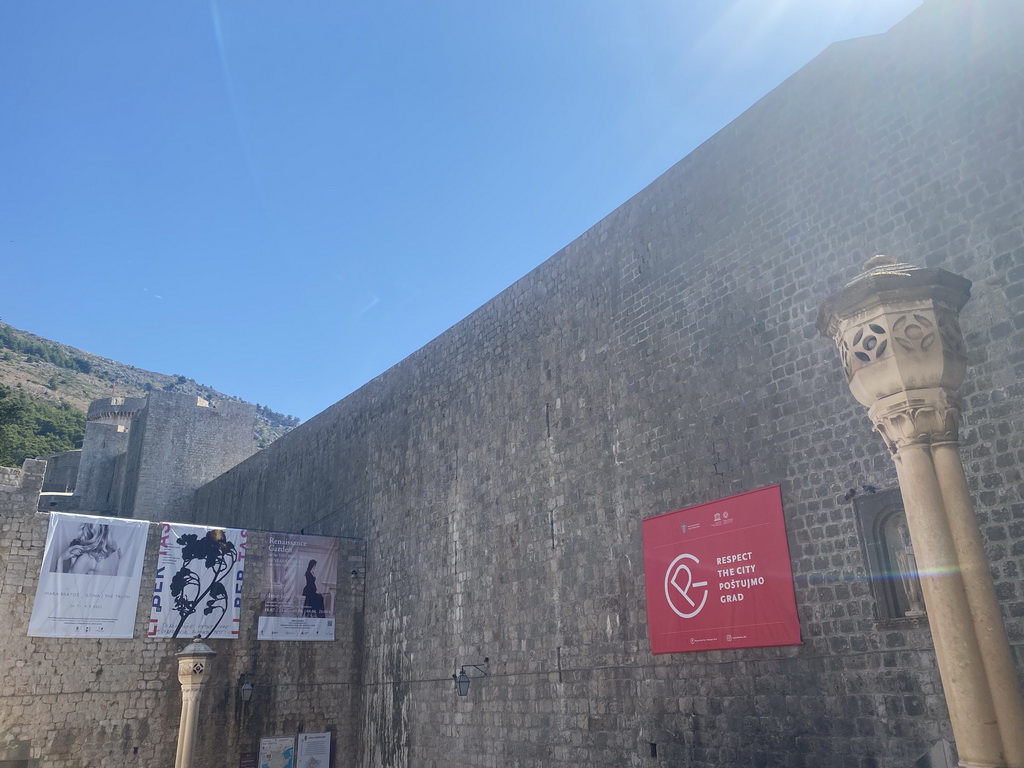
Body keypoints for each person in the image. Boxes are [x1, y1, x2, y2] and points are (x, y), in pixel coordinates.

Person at [57, 523, 122, 576]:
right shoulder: (115, 554)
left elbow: (64, 587)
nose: (81, 538)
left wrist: (61, 559)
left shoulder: (87, 558)